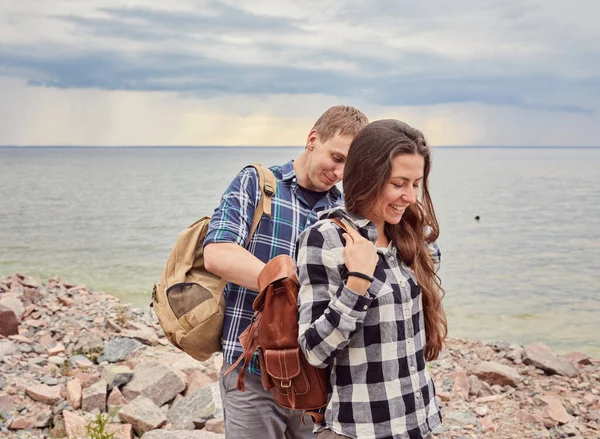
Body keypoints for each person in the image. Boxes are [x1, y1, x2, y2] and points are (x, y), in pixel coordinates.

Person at [203, 105, 369, 439]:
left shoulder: (346, 213)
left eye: (349, 167)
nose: (339, 173)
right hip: (249, 370)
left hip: (316, 377)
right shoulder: (258, 183)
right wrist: (284, 286)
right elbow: (217, 254)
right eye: (336, 158)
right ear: (312, 139)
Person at [296, 119, 447, 439]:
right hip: (360, 430)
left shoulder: (412, 237)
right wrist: (358, 283)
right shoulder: (325, 238)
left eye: (416, 184)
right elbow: (313, 351)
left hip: (420, 423)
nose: (409, 196)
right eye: (398, 183)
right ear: (367, 177)